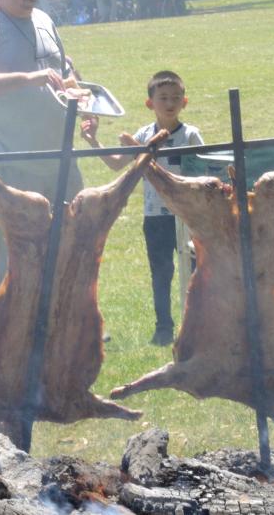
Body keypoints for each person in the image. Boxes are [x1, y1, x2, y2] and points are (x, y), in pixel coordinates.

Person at [0, 0, 87, 296]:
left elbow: (64, 76)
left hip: (61, 164)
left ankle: (70, 326)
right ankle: (14, 337)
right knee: (15, 260)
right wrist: (29, 78)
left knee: (71, 248)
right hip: (11, 166)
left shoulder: (43, 20)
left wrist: (83, 105)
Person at [80, 70, 203, 346]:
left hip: (187, 216)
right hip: (156, 217)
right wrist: (93, 140)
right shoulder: (142, 136)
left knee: (196, 271)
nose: (169, 103)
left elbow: (204, 171)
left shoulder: (192, 135)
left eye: (175, 98)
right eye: (163, 98)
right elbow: (116, 163)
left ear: (185, 102)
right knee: (161, 272)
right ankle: (163, 327)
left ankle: (198, 324)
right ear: (150, 103)